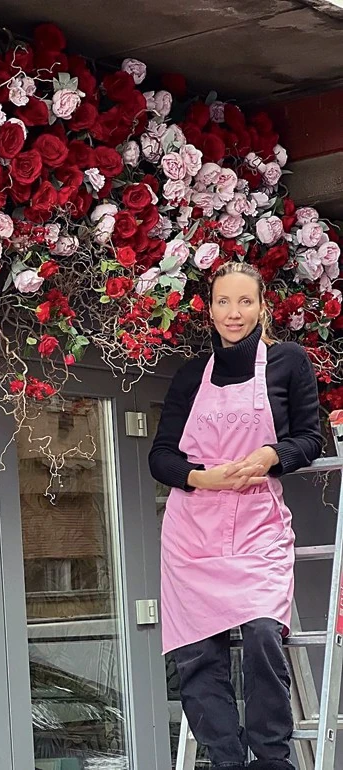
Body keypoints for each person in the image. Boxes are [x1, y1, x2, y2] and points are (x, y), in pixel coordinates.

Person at [149, 262, 323, 770]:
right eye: (224, 301)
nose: (234, 313)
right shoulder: (189, 376)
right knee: (197, 658)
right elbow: (161, 456)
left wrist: (272, 456)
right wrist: (203, 478)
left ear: (262, 306)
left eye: (245, 302)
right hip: (192, 531)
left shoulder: (289, 362)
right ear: (209, 308)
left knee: (266, 636)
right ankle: (227, 761)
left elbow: (310, 437)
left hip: (256, 525)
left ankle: (271, 760)